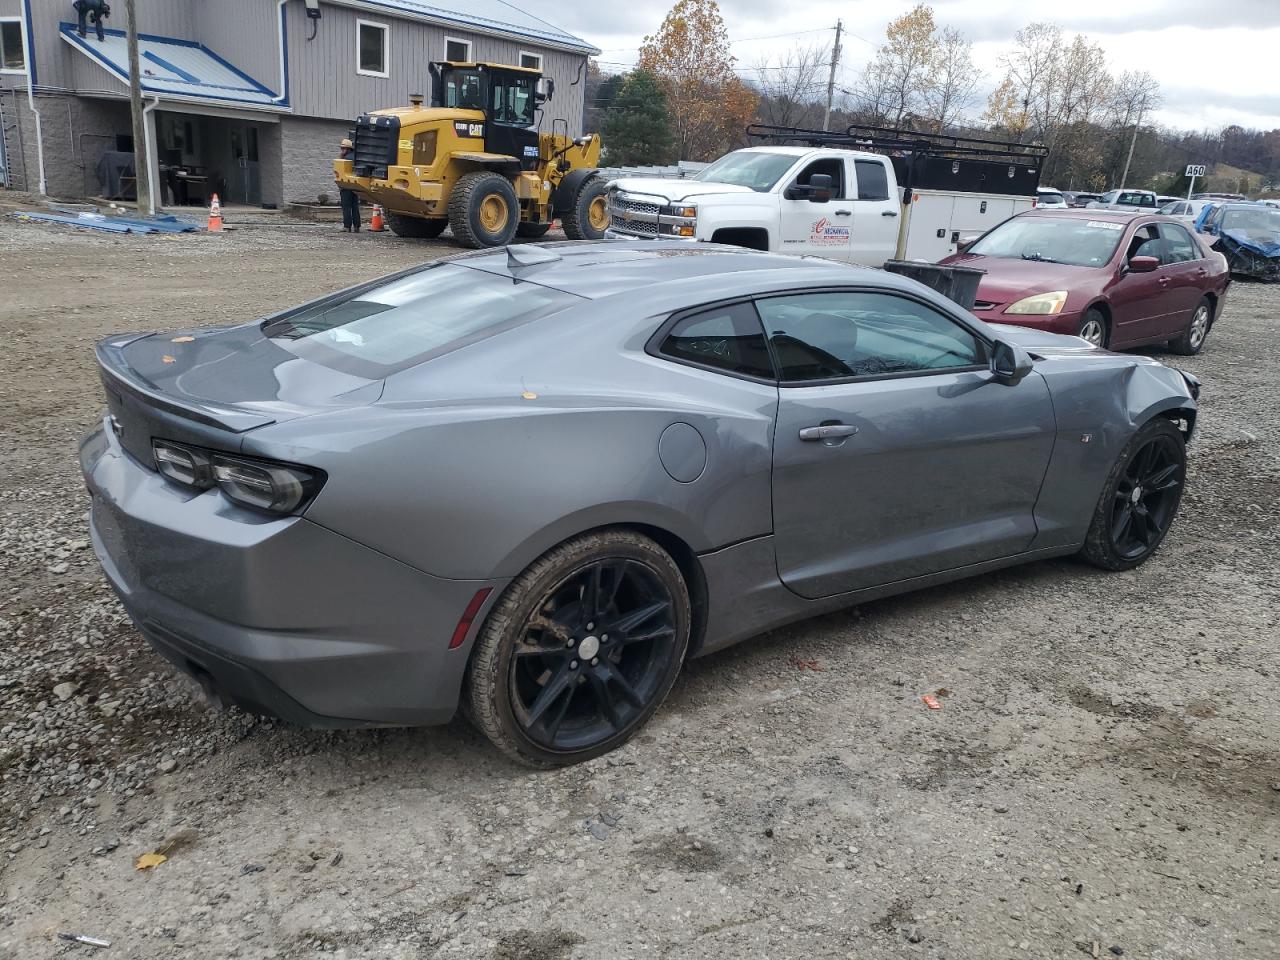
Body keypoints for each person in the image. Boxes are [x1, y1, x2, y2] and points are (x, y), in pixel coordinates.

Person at [337, 137, 360, 233]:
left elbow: (340, 172)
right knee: (355, 206)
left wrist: (340, 156)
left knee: (346, 206)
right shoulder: (356, 157)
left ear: (347, 149)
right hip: (355, 185)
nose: (342, 150)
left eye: (343, 148)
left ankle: (347, 226)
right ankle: (357, 226)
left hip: (346, 185)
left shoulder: (344, 159)